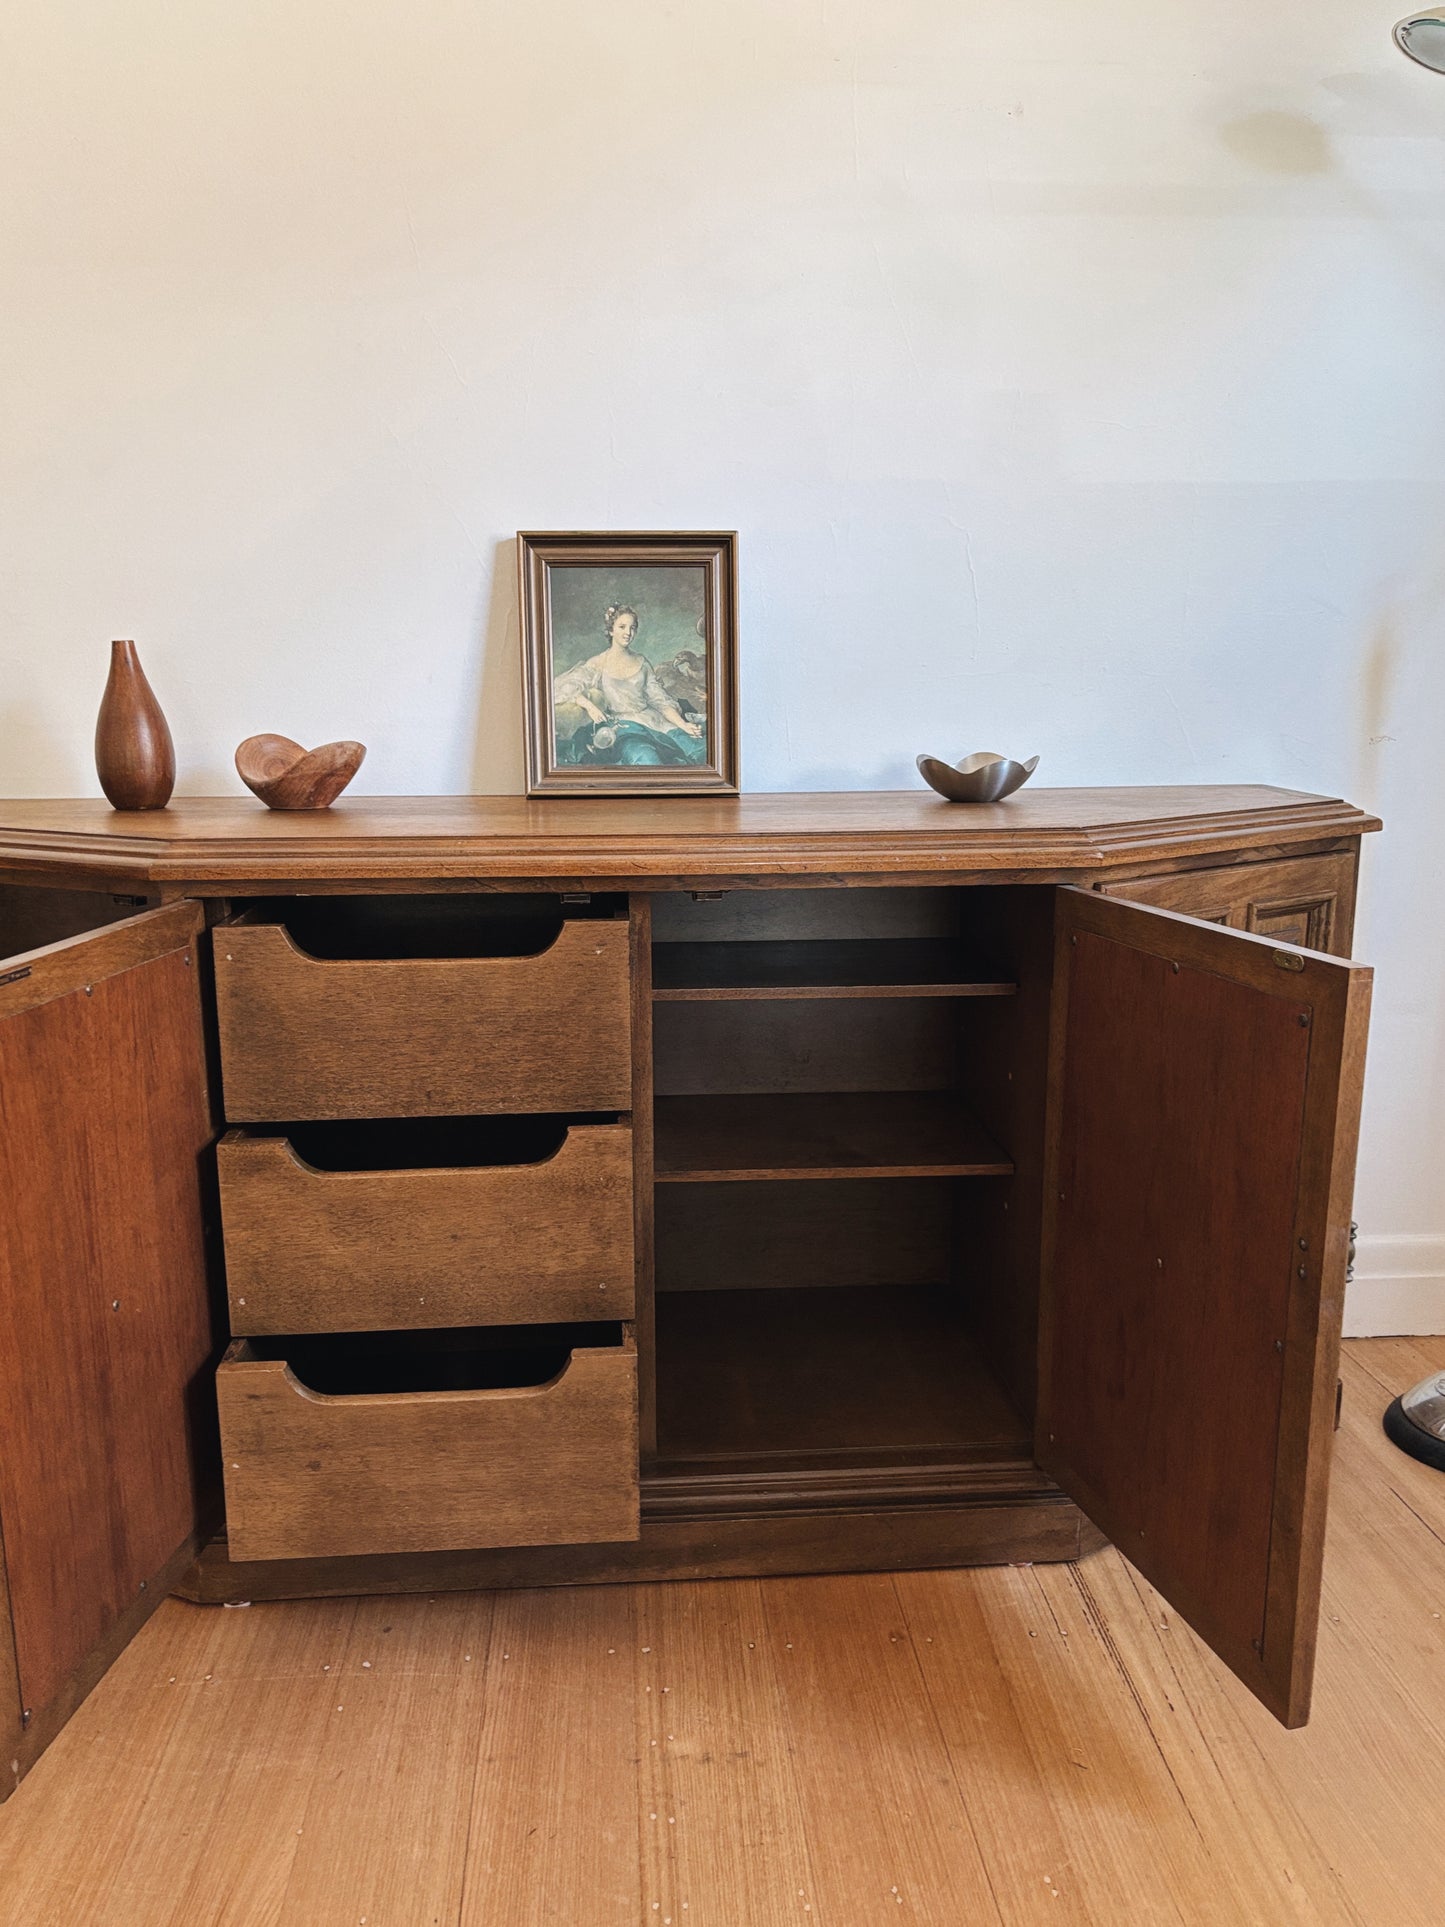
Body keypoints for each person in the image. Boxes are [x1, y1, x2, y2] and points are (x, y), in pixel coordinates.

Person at [552, 606, 706, 766]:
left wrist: (683, 725)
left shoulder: (642, 662)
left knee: (699, 750)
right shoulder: (598, 663)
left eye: (632, 628)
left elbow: (659, 700)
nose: (628, 633)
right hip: (624, 728)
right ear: (611, 630)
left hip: (654, 722)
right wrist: (589, 705)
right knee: (647, 759)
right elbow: (565, 686)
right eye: (622, 627)